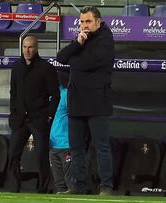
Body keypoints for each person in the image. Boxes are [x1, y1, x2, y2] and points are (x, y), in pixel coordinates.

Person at [56, 6, 115, 195]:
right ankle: (77, 186)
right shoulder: (82, 38)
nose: (84, 25)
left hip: (98, 101)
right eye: (81, 21)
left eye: (88, 21)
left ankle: (106, 186)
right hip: (77, 101)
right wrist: (77, 44)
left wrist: (75, 59)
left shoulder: (106, 39)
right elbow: (61, 57)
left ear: (98, 21)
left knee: (101, 146)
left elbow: (91, 62)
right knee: (76, 148)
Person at [7, 35, 60, 193]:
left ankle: (43, 189)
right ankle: (14, 187)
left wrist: (49, 115)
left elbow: (55, 95)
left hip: (39, 119)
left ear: (36, 48)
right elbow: (13, 92)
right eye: (24, 47)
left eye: (30, 47)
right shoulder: (16, 67)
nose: (27, 50)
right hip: (20, 119)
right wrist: (13, 112)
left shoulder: (46, 68)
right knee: (13, 154)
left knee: (41, 156)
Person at [49, 71, 71, 194]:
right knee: (59, 184)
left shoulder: (67, 94)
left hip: (66, 144)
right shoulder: (50, 96)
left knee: (70, 183)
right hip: (52, 145)